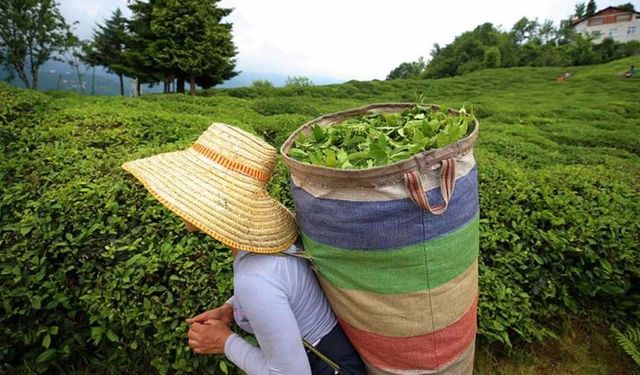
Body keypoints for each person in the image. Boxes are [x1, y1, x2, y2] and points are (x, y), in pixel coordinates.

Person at [121, 123, 366, 375]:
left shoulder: (254, 278)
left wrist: (225, 342)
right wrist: (231, 308)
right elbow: (284, 288)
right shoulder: (265, 251)